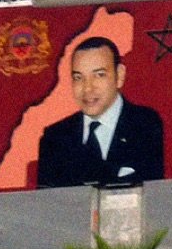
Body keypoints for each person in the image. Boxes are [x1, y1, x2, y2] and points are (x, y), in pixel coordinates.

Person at [35, 37, 164, 189]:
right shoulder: (55, 138)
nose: (87, 88)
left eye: (99, 75)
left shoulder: (146, 125)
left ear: (120, 75)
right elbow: (48, 204)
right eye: (78, 77)